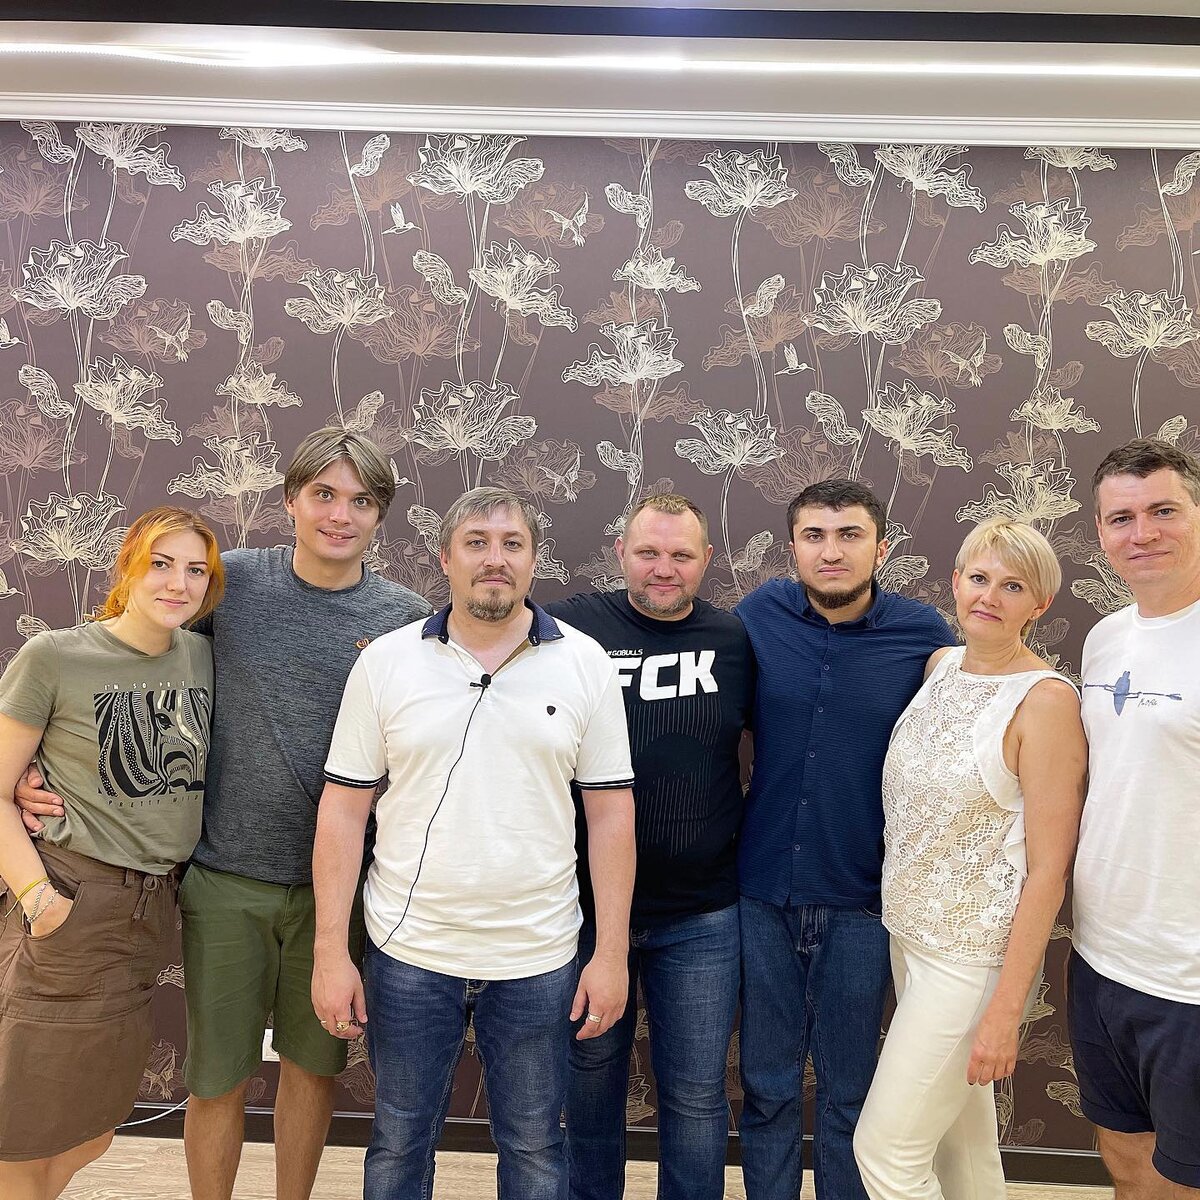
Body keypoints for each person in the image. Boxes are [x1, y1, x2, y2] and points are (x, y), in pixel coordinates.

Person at [15, 428, 431, 1200]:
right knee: (216, 1078)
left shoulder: (405, 616)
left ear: (381, 515)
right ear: (291, 501)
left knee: (312, 1070)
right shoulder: (227, 583)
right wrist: (37, 766)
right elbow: (136, 657)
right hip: (224, 879)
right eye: (324, 494)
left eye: (361, 501)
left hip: (337, 890)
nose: (340, 515)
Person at [311, 486, 636, 1200]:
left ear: (534, 559)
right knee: (398, 1140)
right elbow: (343, 810)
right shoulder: (387, 661)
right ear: (445, 558)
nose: (495, 559)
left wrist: (610, 954)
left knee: (535, 1145)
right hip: (409, 952)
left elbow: (612, 814)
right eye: (477, 543)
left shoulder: (584, 662)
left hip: (538, 955)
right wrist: (331, 951)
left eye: (512, 544)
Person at [734, 479, 956, 1200]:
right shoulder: (758, 615)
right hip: (762, 892)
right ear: (794, 547)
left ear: (880, 548)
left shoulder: (924, 634)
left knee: (849, 1094)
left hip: (864, 899)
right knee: (767, 1087)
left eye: (850, 535)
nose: (832, 551)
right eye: (815, 536)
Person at [853, 518, 1086, 1200]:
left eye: (1013, 586)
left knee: (886, 1155)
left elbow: (1049, 871)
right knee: (964, 1149)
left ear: (1039, 604)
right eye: (979, 578)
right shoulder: (939, 667)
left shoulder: (1045, 702)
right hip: (908, 937)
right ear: (956, 582)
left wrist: (1006, 1011)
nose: (990, 597)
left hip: (970, 960)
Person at [0, 506, 223, 1200]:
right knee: (24, 1125)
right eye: (161, 563)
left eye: (196, 570)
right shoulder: (56, 656)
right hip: (74, 899)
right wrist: (41, 901)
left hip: (150, 911)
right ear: (128, 567)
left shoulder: (200, 655)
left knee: (92, 1124)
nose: (178, 583)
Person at [545, 493, 754, 1200]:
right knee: (589, 1084)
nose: (664, 569)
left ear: (706, 560)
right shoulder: (569, 630)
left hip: (702, 916)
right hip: (584, 911)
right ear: (621, 553)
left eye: (681, 555)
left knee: (694, 1095)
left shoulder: (734, 640)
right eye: (648, 553)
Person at [1071, 438, 1200, 1196]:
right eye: (1122, 518)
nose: (1142, 533)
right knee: (1125, 1158)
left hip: (1189, 975)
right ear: (1100, 532)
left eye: (1163, 511)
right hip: (1101, 957)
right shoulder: (1106, 636)